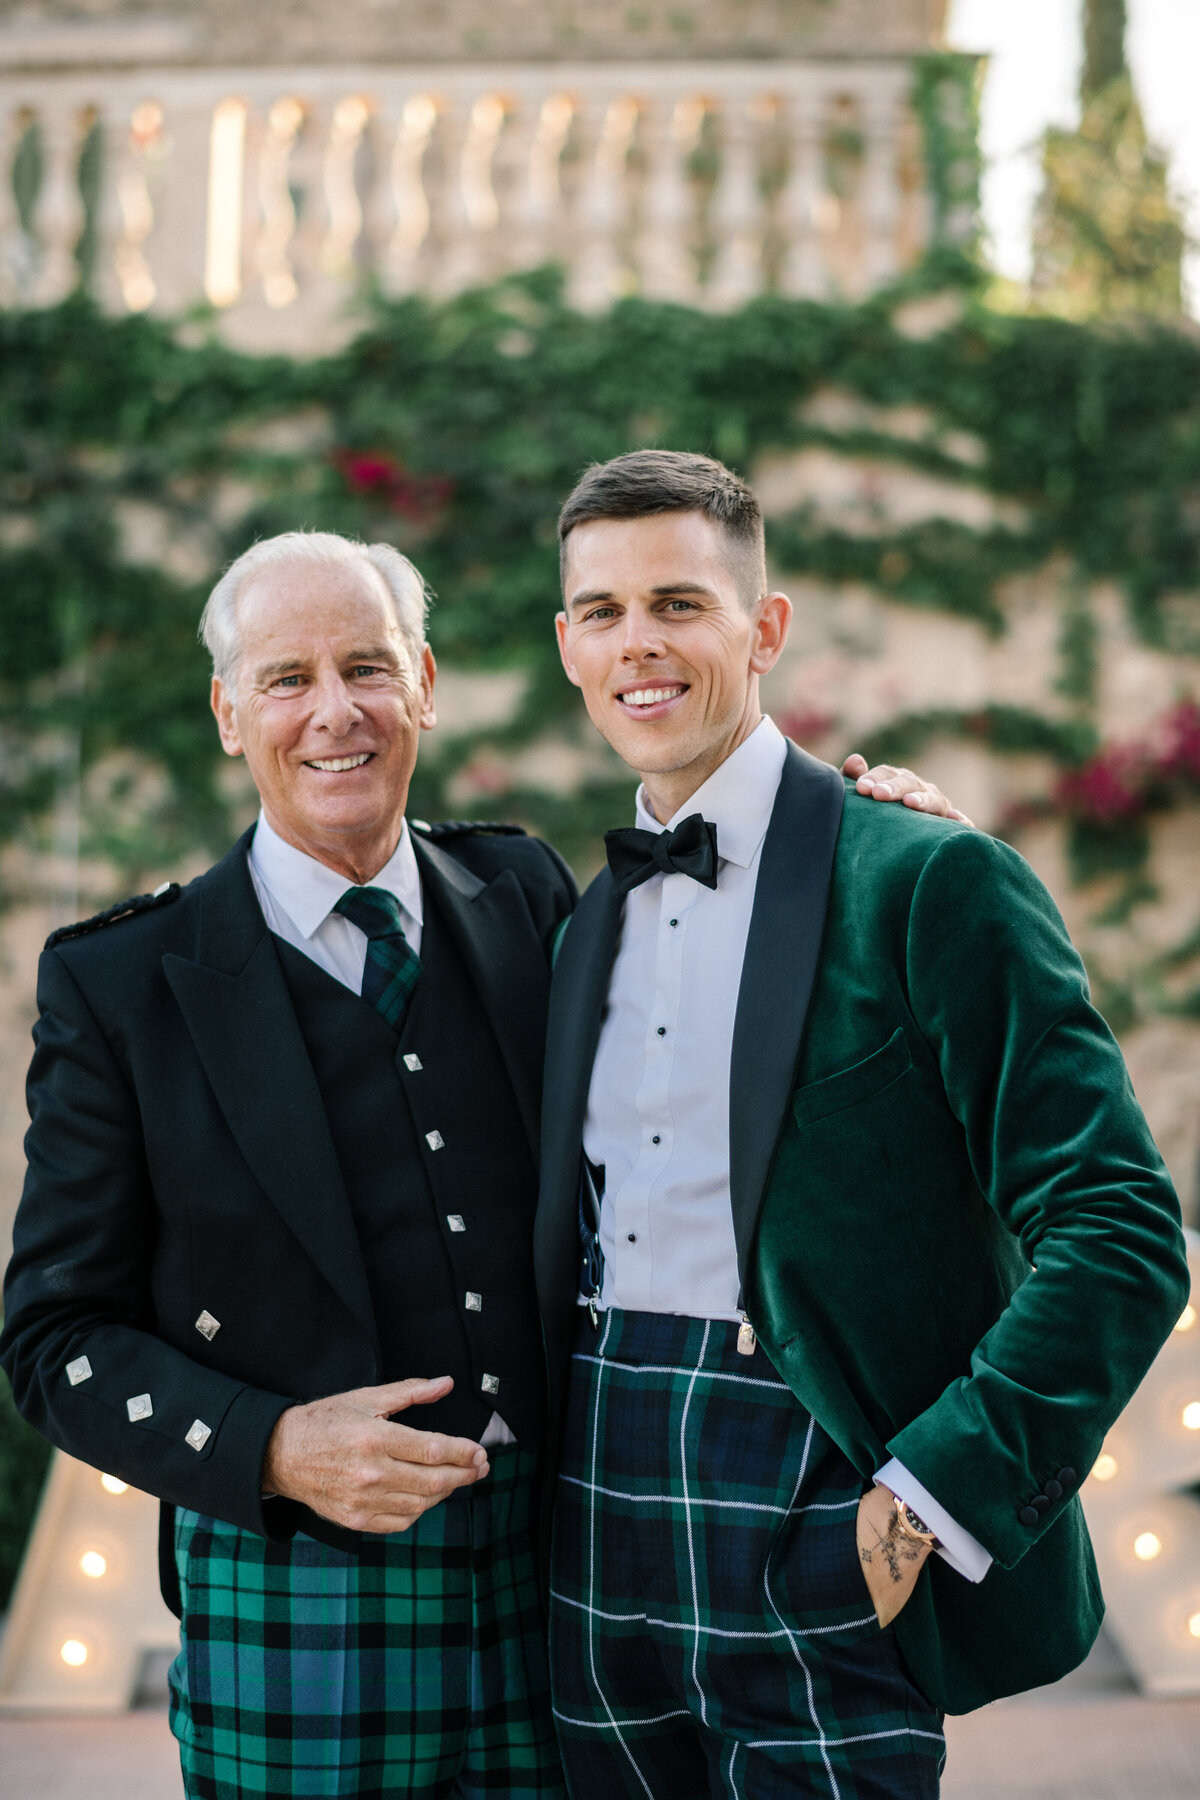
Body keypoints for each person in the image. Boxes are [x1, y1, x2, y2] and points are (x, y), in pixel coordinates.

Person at [0, 526, 945, 1799]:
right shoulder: (120, 985)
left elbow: (721, 982)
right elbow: (52, 1336)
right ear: (230, 714)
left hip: (561, 1576)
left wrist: (878, 839)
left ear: (426, 685)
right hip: (300, 1594)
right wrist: (271, 1447)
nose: (335, 713)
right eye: (286, 680)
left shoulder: (527, 898)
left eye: (368, 668)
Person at [535, 450, 1191, 1800]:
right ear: (565, 646)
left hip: (815, 1503)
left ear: (765, 629)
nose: (637, 644)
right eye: (601, 612)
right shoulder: (577, 921)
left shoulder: (928, 878)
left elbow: (1122, 1225)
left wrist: (925, 1506)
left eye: (679, 602)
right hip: (592, 1512)